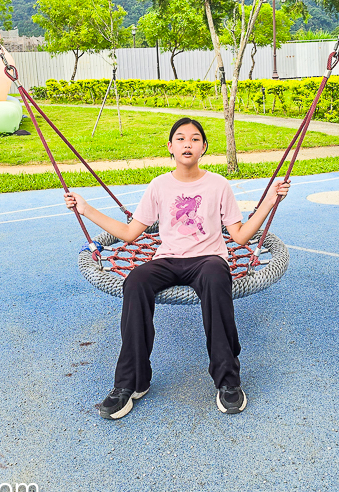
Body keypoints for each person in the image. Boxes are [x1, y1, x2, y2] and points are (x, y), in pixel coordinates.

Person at [64, 117, 289, 420]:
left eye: (195, 139)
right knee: (135, 281)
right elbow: (130, 233)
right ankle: (131, 382)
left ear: (204, 147)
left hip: (208, 259)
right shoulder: (159, 185)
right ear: (170, 147)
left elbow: (239, 236)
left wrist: (270, 201)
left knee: (216, 278)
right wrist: (85, 208)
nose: (187, 144)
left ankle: (228, 381)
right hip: (167, 260)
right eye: (181, 138)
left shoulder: (218, 185)